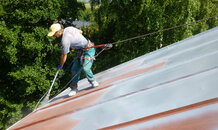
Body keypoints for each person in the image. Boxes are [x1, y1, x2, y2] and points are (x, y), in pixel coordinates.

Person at [48, 23, 99, 96]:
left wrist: (61, 65)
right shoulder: (69, 28)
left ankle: (92, 81)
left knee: (85, 67)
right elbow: (80, 31)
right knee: (74, 69)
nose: (53, 36)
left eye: (54, 34)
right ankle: (74, 88)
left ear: (59, 31)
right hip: (80, 51)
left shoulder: (65, 40)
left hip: (88, 49)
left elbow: (64, 55)